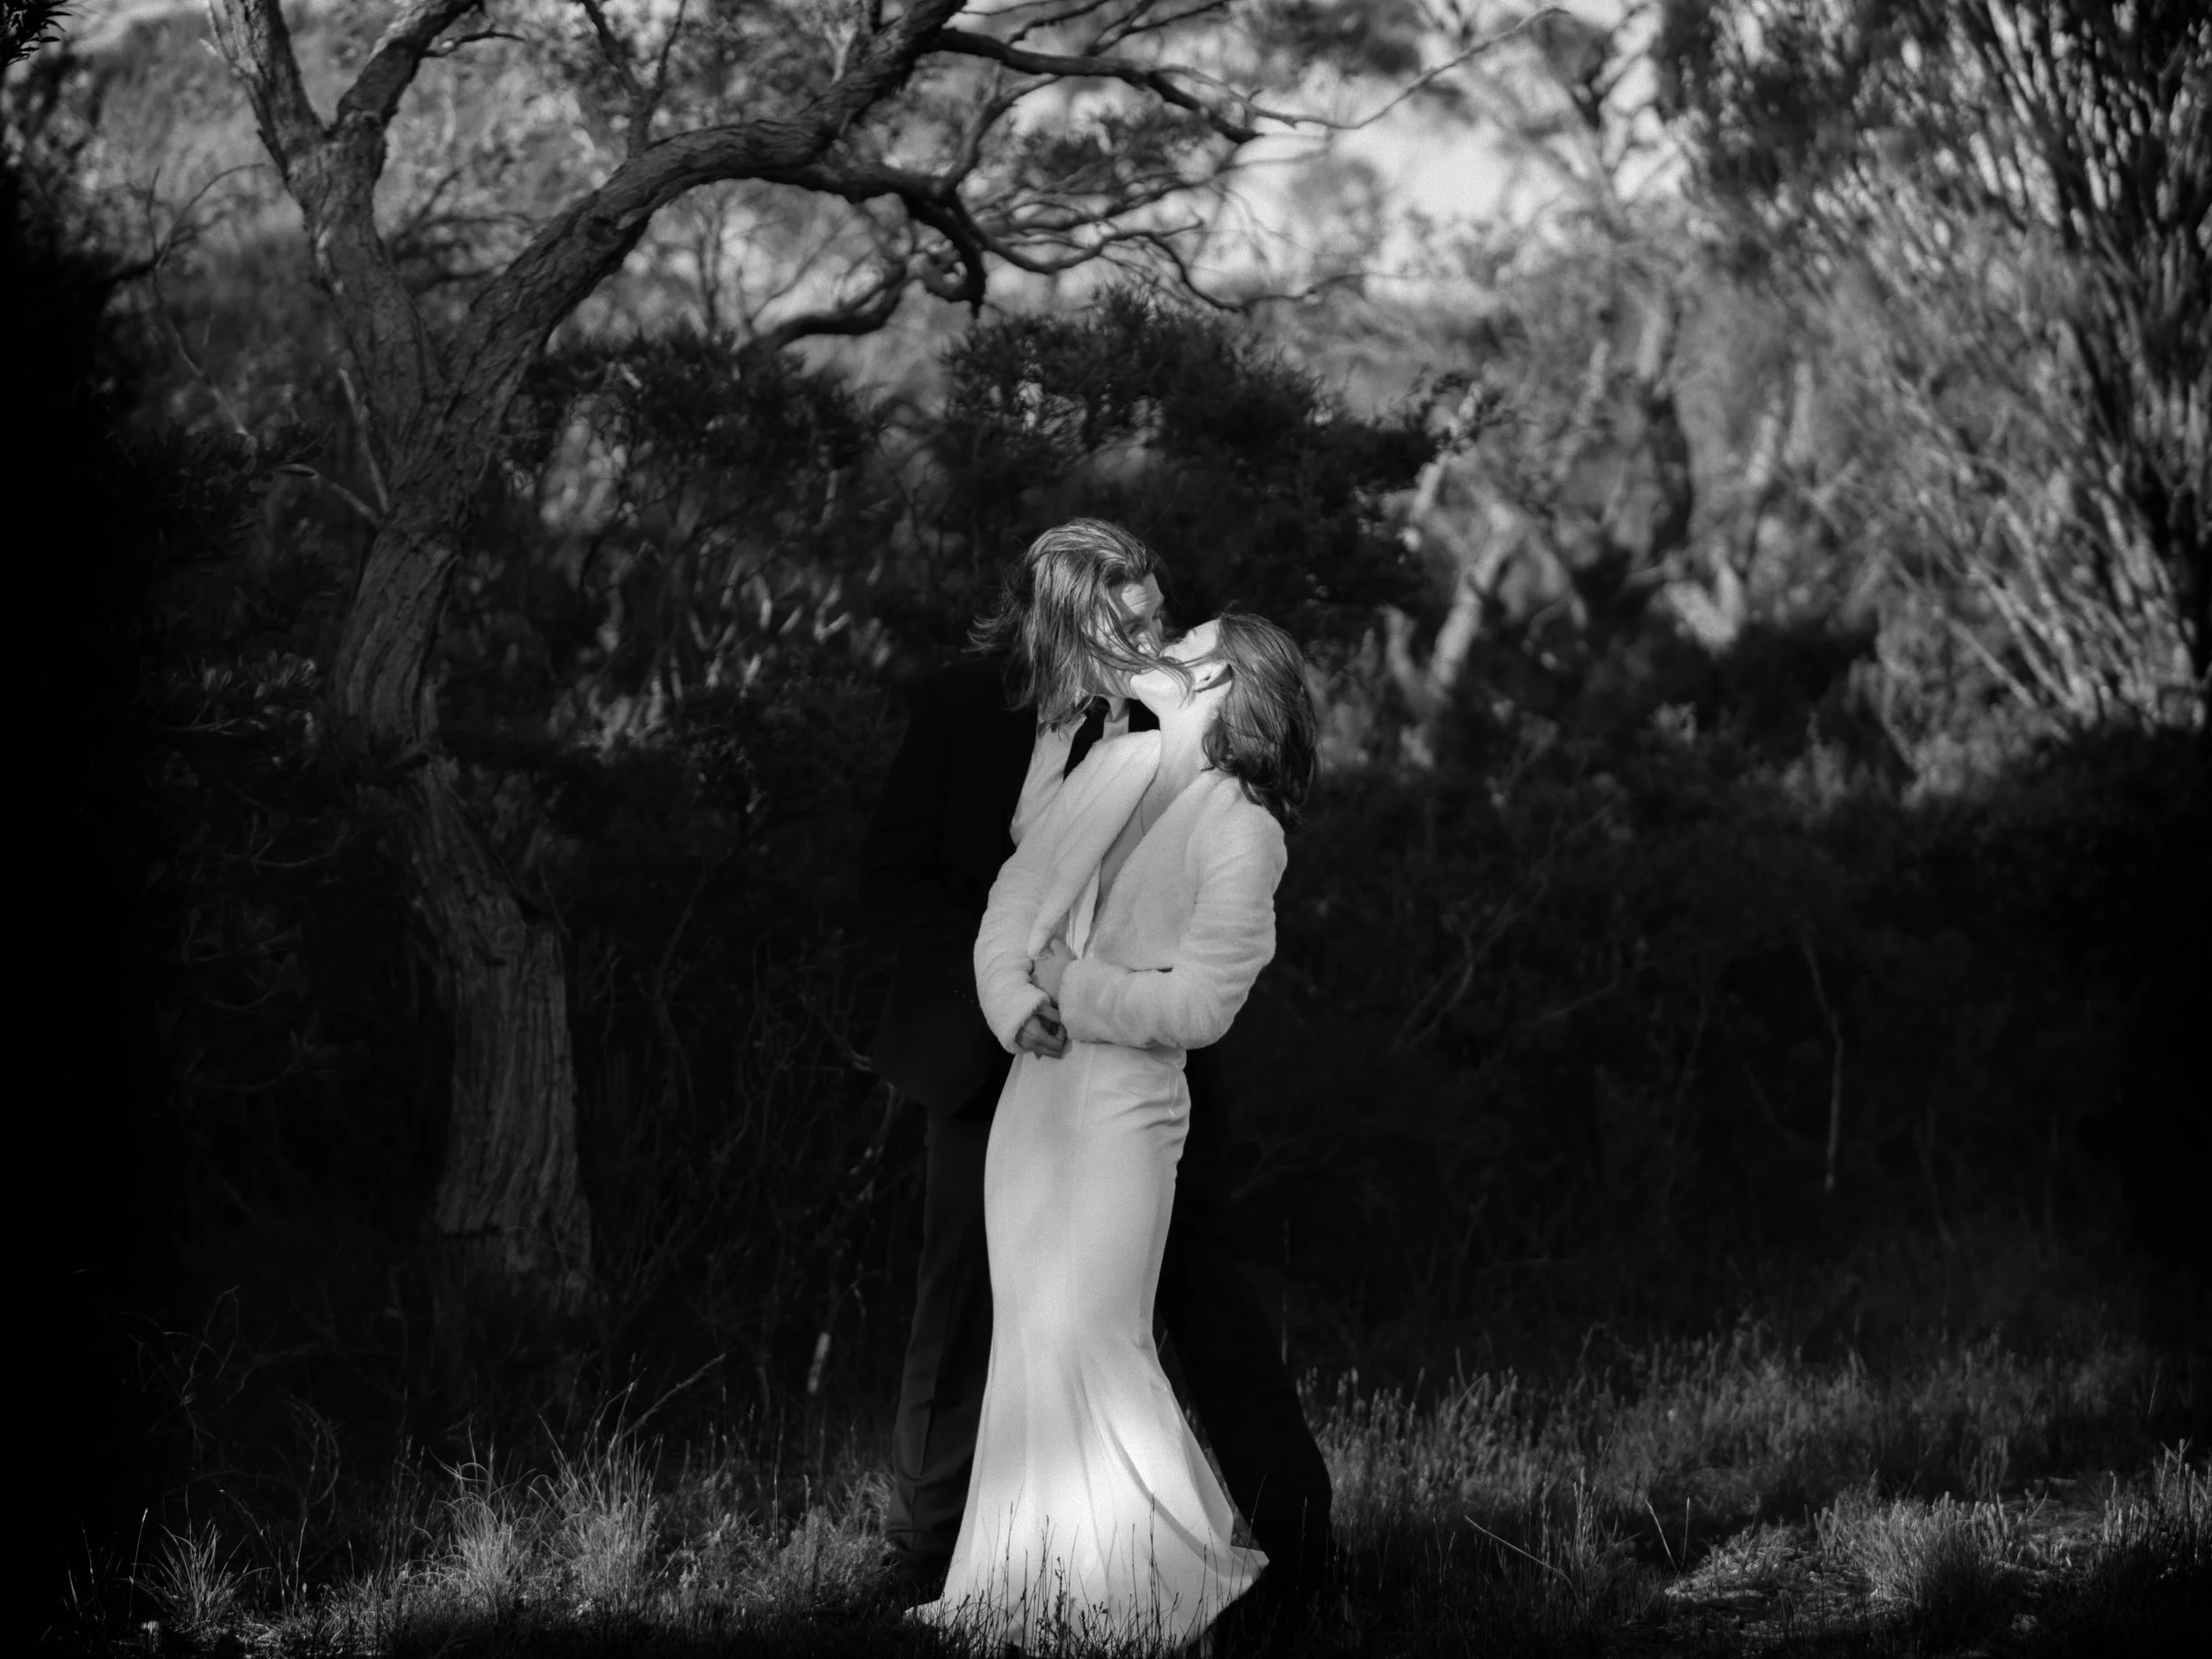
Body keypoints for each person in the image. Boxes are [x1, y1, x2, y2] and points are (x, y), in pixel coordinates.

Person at [860, 522, 1334, 1607]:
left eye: (1159, 619)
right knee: (969, 1307)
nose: (1149, 638)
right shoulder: (961, 708)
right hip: (986, 1059)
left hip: (1135, 1066)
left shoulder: (1159, 726)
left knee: (1195, 1298)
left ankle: (1294, 1549)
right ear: (1063, 618)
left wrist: (1081, 993)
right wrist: (1014, 998)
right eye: (1127, 624)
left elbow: (1199, 921)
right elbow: (896, 882)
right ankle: (941, 1556)